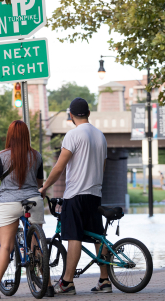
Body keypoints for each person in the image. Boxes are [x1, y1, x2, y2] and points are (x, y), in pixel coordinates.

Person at [0, 120, 51, 299]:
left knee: (6, 246)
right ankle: (47, 286)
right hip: (33, 201)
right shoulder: (36, 156)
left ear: (10, 136)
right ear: (26, 136)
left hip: (9, 204)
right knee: (38, 246)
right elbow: (39, 184)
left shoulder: (2, 156)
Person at [39, 97, 109, 295]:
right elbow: (103, 167)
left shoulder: (73, 135)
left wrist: (44, 187)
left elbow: (59, 167)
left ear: (71, 115)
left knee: (74, 237)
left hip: (76, 195)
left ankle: (67, 282)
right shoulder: (100, 136)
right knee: (98, 237)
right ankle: (105, 280)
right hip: (95, 195)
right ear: (88, 113)